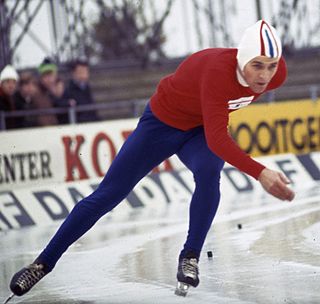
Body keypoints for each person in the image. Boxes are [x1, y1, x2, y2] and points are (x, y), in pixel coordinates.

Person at [8, 20, 295, 299]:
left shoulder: (276, 73)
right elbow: (219, 141)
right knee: (108, 195)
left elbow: (214, 135)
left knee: (209, 174)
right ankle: (42, 263)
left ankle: (190, 256)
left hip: (198, 129)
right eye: (256, 65)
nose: (264, 75)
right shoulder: (218, 72)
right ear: (242, 58)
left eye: (270, 66)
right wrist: (261, 173)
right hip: (161, 125)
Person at [57, 59, 98, 124]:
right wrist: (68, 103)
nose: (84, 75)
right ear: (74, 73)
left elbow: (93, 111)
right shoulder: (68, 89)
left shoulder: (87, 89)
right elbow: (59, 104)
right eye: (81, 72)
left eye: (86, 72)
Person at [32, 57, 59, 126]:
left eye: (51, 75)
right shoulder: (37, 94)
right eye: (45, 76)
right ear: (41, 78)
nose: (49, 79)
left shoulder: (60, 91)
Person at [0, 64, 19, 129]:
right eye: (7, 81)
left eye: (14, 82)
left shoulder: (17, 100)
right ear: (1, 83)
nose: (11, 86)